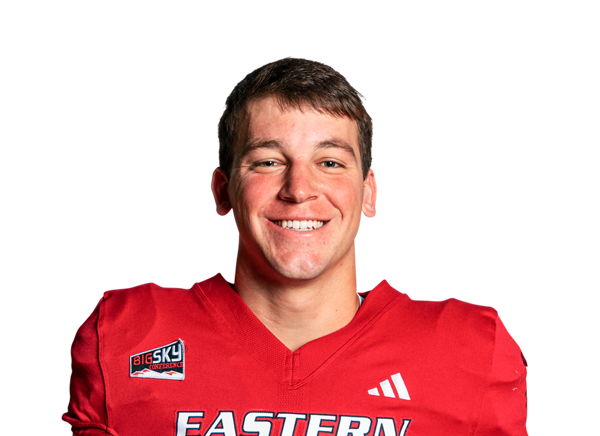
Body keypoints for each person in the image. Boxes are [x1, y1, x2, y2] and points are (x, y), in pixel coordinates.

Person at [62, 57, 528, 435]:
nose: (299, 189)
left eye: (330, 162)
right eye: (268, 161)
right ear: (223, 191)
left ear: (369, 193)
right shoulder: (128, 335)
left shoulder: (470, 352)